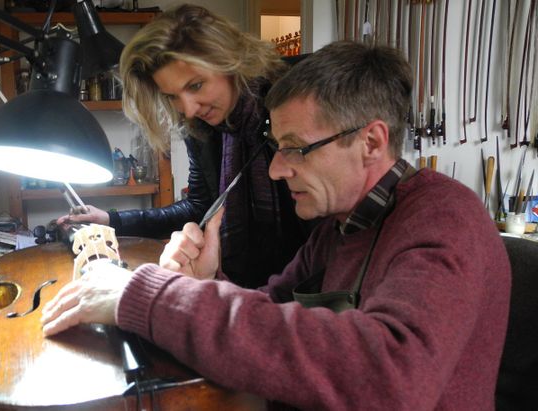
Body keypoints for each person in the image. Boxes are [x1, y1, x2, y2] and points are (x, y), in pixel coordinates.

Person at [42, 41, 511, 409]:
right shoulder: (340, 226)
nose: (275, 169)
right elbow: (270, 309)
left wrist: (150, 296)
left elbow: (389, 378)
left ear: (371, 141)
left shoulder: (445, 219)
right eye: (275, 146)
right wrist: (208, 280)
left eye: (296, 148)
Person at [57, 4, 317, 288]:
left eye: (195, 86)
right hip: (243, 289)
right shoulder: (202, 128)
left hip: (314, 287)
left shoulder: (296, 103)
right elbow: (198, 206)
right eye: (172, 96)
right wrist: (111, 220)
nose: (188, 109)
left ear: (229, 61)